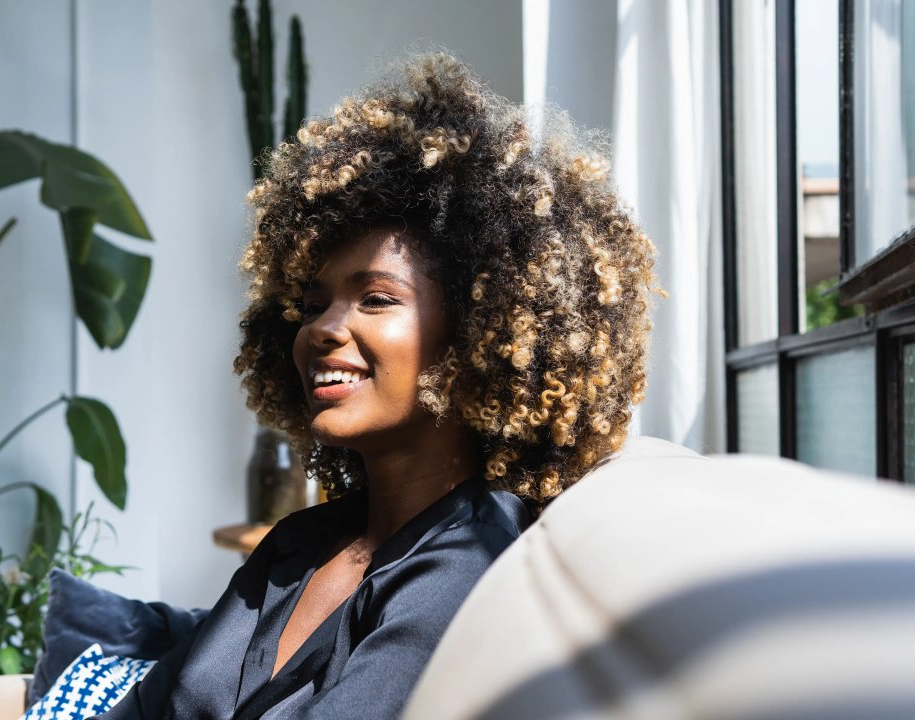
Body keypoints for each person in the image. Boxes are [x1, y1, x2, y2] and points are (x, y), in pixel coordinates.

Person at [101, 51, 658, 719]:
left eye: (375, 299)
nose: (323, 331)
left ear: (481, 333)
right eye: (312, 305)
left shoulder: (471, 565)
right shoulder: (299, 544)